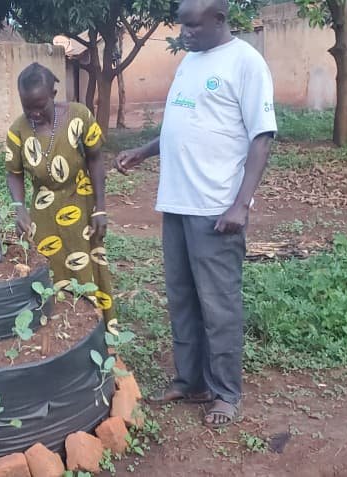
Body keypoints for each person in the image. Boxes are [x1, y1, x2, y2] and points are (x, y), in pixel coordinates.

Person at [114, 0, 276, 427]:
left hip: (216, 208)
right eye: (181, 25)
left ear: (219, 19)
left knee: (218, 305)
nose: (184, 33)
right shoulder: (190, 61)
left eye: (192, 25)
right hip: (178, 202)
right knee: (182, 298)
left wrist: (241, 204)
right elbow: (179, 126)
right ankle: (191, 381)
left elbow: (262, 138)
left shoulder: (246, 63)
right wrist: (143, 152)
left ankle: (225, 393)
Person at [5, 63, 117, 333]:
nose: (33, 112)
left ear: (54, 93)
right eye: (26, 105)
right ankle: (61, 334)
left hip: (82, 201)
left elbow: (95, 159)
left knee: (86, 265)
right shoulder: (18, 129)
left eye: (40, 105)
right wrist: (19, 207)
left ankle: (97, 332)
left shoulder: (79, 116)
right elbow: (14, 172)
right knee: (49, 269)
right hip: (42, 210)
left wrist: (100, 209)